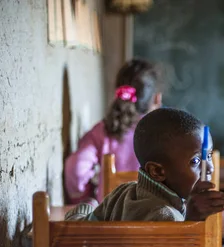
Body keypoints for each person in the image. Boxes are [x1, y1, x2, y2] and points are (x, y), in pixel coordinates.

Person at [65, 107, 224, 247]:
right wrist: (193, 224)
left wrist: (87, 205)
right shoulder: (167, 217)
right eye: (195, 161)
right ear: (157, 172)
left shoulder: (121, 194)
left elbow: (76, 234)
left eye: (208, 156)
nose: (209, 168)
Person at [64, 59, 163, 205]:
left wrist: (85, 198)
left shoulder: (103, 130)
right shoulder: (166, 134)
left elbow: (76, 169)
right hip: (156, 221)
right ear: (157, 98)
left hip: (112, 221)